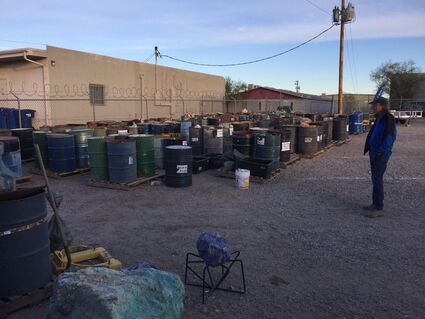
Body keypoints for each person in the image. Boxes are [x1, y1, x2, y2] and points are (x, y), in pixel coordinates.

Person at [363, 97, 397, 217]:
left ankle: (379, 208)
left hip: (380, 154)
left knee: (377, 179)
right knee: (375, 178)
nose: (373, 107)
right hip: (374, 152)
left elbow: (390, 138)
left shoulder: (388, 119)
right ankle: (375, 203)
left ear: (381, 105)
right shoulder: (379, 118)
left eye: (375, 105)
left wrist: (381, 152)